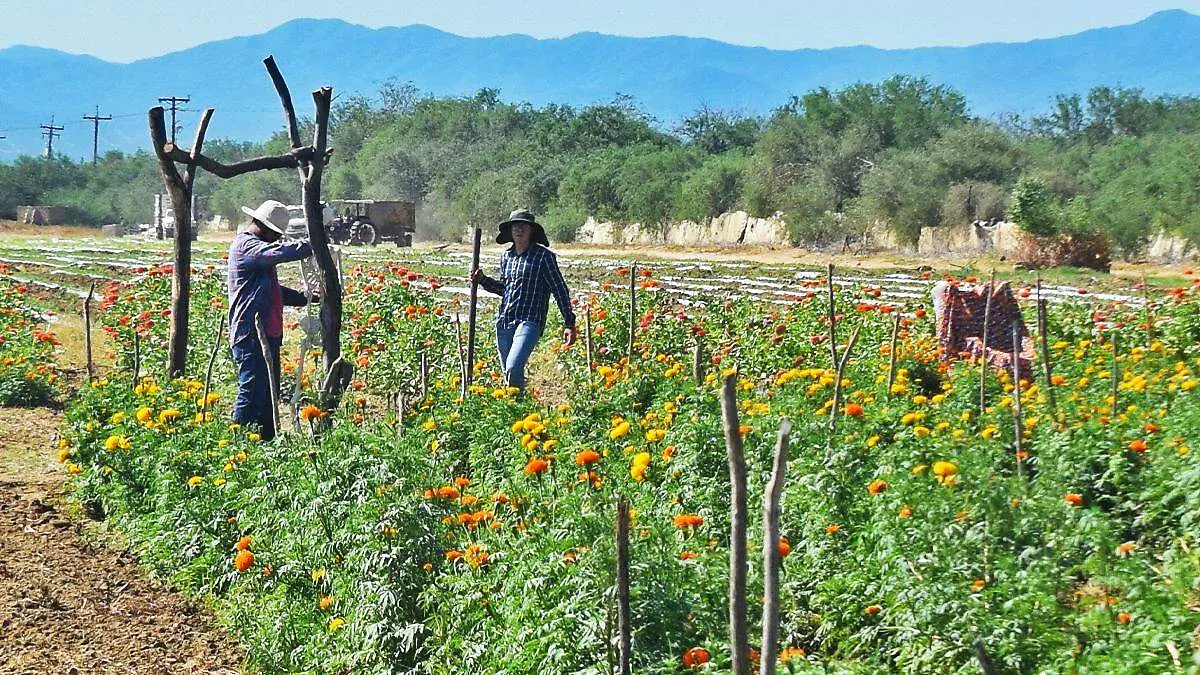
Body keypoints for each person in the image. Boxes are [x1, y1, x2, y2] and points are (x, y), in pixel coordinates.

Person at [227, 199, 314, 440]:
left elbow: (273, 291)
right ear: (263, 227)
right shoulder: (247, 246)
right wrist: (312, 243)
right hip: (250, 332)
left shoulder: (259, 253)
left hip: (268, 332)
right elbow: (278, 252)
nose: (277, 239)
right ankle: (238, 444)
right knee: (251, 389)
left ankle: (266, 442)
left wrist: (306, 297)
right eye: (276, 234)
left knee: (268, 393)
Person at [471, 209, 577, 392]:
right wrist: (483, 280)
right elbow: (505, 289)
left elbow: (559, 289)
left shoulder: (544, 257)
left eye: (523, 226)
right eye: (515, 226)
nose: (519, 229)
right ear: (510, 232)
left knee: (513, 366)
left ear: (531, 231)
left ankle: (518, 407)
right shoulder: (507, 257)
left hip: (530, 320)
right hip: (505, 321)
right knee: (509, 376)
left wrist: (569, 322)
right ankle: (518, 409)